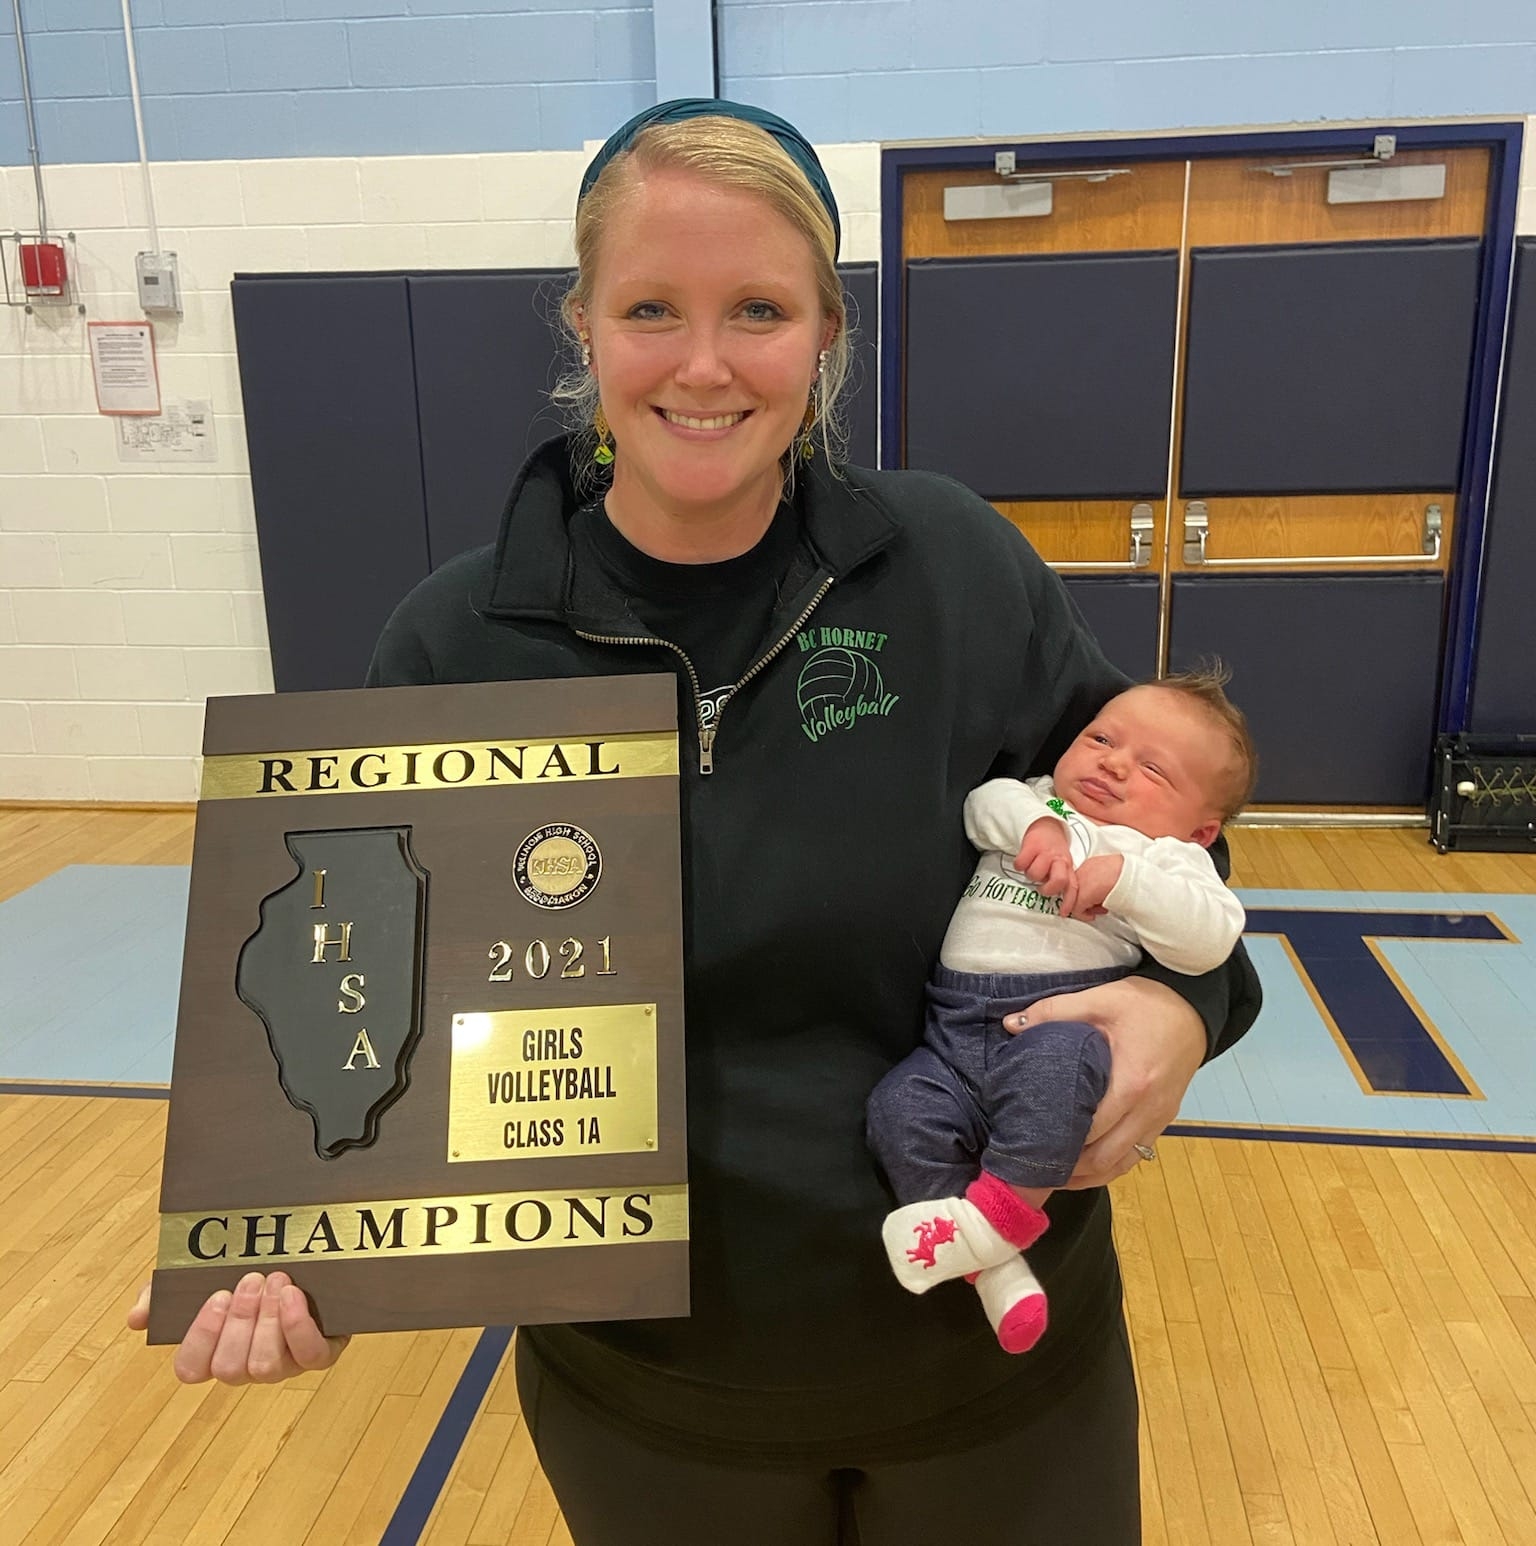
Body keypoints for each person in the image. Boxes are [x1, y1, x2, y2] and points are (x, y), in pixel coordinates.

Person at [131, 99, 1262, 1544]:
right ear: (583, 326)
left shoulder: (956, 569)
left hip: (993, 1368)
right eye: (653, 307)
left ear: (827, 336)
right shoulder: (453, 640)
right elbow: (362, 998)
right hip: (652, 1410)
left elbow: (1173, 822)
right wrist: (306, 1255)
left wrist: (1191, 1001)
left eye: (762, 309)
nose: (708, 363)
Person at [867, 675, 1255, 1356]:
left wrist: (1127, 882)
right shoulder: (1037, 801)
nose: (1112, 763)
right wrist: (1040, 824)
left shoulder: (1168, 859)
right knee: (899, 1109)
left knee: (1057, 1077)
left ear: (1201, 828)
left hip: (1054, 1027)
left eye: (1153, 769)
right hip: (951, 1030)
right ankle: (995, 1267)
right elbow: (983, 804)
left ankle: (1004, 1219)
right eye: (1101, 738)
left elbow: (1211, 938)